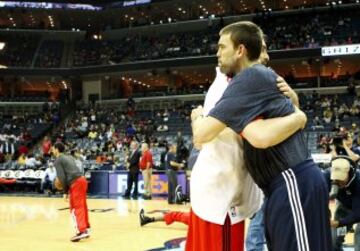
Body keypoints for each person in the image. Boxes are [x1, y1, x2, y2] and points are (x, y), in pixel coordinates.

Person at [191, 21, 331, 250]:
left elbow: (201, 135)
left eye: (222, 47)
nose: (217, 54)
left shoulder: (249, 78)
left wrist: (197, 115)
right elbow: (261, 131)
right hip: (283, 185)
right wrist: (298, 114)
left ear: (240, 50)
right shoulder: (258, 79)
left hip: (292, 180)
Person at [52, 142, 90, 242]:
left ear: (56, 149)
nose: (52, 150)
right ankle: (86, 228)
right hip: (82, 179)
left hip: (75, 182)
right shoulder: (69, 157)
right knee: (82, 206)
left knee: (75, 208)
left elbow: (62, 178)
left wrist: (64, 192)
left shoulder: (58, 160)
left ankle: (81, 231)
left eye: (53, 148)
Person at [324, 157, 360, 251]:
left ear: (349, 173)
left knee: (359, 241)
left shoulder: (358, 181)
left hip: (358, 208)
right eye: (336, 179)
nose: (337, 182)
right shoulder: (327, 176)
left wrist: (339, 223)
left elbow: (357, 213)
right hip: (344, 207)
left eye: (341, 179)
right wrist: (326, 214)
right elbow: (320, 200)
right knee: (333, 241)